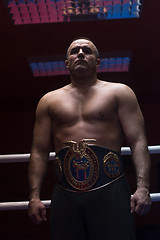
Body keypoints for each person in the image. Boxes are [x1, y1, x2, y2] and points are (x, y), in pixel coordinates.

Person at [28, 37, 151, 240]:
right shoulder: (48, 100)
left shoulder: (120, 92)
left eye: (87, 50)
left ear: (98, 61)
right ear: (67, 63)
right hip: (65, 193)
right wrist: (34, 197)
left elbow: (138, 140)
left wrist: (143, 187)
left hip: (110, 189)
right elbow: (39, 151)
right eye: (75, 51)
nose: (81, 53)